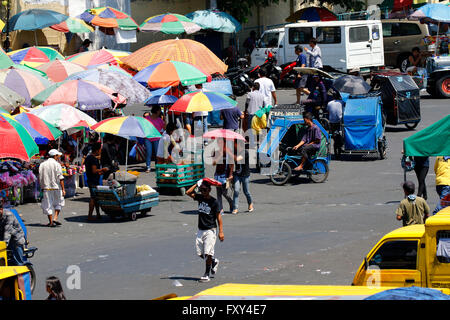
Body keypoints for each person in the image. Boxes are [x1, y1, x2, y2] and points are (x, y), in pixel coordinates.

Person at [186, 179, 224, 283]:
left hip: (210, 230)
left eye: (205, 190)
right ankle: (213, 262)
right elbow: (188, 192)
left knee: (207, 253)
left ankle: (206, 274)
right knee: (200, 253)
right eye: (201, 190)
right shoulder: (200, 198)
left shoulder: (214, 202)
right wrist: (196, 184)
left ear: (209, 190)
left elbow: (219, 218)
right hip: (200, 229)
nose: (203, 192)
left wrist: (221, 232)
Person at [39, 149, 66, 227]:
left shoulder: (42, 164)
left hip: (46, 188)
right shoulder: (57, 164)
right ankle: (55, 218)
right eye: (57, 156)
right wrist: (63, 189)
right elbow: (61, 177)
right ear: (55, 156)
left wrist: (42, 186)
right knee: (59, 202)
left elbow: (40, 177)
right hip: (56, 187)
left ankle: (51, 221)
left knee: (48, 205)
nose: (58, 157)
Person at [84, 143, 109, 221]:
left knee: (96, 198)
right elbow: (94, 170)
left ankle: (98, 214)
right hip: (93, 180)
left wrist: (100, 172)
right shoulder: (93, 159)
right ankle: (90, 215)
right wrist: (102, 170)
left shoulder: (88, 157)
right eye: (100, 149)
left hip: (91, 178)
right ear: (98, 150)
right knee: (93, 197)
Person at [229, 140, 254, 214]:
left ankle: (250, 203)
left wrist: (229, 152)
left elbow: (237, 159)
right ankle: (235, 208)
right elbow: (231, 161)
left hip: (245, 175)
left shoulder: (245, 152)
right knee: (236, 190)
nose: (236, 146)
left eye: (237, 145)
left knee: (246, 191)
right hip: (237, 174)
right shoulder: (234, 152)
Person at [0, 199, 26, 266]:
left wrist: (3, 246)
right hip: (4, 238)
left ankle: (21, 272)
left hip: (16, 239)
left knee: (19, 264)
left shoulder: (8, 215)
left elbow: (7, 231)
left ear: (1, 209)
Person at [212, 139, 234, 214]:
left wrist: (231, 174)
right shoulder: (216, 151)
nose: (219, 144)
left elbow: (232, 164)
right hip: (218, 174)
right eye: (218, 143)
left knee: (225, 193)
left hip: (226, 175)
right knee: (218, 193)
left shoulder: (228, 151)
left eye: (220, 142)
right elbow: (213, 163)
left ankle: (231, 203)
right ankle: (220, 209)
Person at [144, 106, 165, 172]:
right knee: (148, 152)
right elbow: (143, 126)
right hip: (148, 137)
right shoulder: (147, 118)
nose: (160, 112)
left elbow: (164, 128)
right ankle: (148, 167)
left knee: (157, 153)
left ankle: (157, 166)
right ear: (156, 111)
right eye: (159, 111)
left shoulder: (159, 120)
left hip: (156, 138)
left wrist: (164, 119)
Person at [245, 82, 265, 147]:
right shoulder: (262, 95)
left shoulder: (250, 94)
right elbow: (263, 105)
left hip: (251, 113)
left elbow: (247, 103)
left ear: (253, 87)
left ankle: (252, 143)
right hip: (259, 114)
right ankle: (260, 142)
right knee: (258, 128)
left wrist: (245, 110)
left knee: (251, 128)